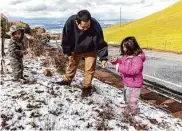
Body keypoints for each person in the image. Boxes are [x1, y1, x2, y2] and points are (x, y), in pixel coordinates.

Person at [58, 10, 108, 97]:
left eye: (88, 26)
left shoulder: (95, 25)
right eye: (83, 27)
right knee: (72, 64)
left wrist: (103, 58)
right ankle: (67, 81)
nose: (86, 29)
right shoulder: (70, 22)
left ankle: (87, 87)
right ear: (77, 23)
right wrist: (68, 52)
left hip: (91, 48)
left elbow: (100, 42)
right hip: (76, 48)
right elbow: (66, 39)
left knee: (89, 68)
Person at [110, 36, 145, 116]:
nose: (123, 49)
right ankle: (129, 109)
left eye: (125, 47)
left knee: (132, 100)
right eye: (123, 47)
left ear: (131, 47)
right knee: (127, 98)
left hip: (134, 84)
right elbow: (123, 63)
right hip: (127, 83)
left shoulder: (137, 58)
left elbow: (133, 70)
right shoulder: (126, 56)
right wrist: (116, 61)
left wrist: (119, 67)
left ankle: (133, 115)